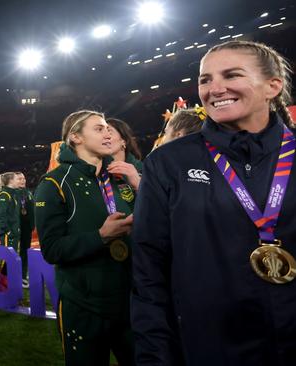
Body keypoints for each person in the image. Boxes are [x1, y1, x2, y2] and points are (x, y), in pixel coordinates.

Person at [132, 40, 296, 365]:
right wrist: (154, 357)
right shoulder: (169, 162)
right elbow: (149, 271)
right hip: (210, 347)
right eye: (205, 79)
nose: (215, 88)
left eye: (231, 75)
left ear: (272, 86)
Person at [34, 110, 134, 366]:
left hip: (130, 302)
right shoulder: (54, 183)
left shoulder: (121, 179)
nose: (107, 132)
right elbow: (53, 249)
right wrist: (101, 236)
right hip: (84, 306)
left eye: (108, 128)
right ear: (76, 137)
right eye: (99, 128)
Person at [106, 118, 143, 208]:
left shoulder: (145, 170)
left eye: (109, 132)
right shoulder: (97, 172)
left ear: (123, 141)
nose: (105, 136)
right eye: (100, 132)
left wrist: (139, 185)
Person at [13, 172, 34, 288]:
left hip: (27, 228)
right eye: (20, 179)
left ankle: (23, 276)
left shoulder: (28, 192)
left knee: (25, 252)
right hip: (16, 227)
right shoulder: (12, 193)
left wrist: (32, 225)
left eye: (24, 178)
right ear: (14, 180)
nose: (23, 180)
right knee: (12, 251)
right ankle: (10, 276)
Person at [0, 172, 21, 255]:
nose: (19, 181)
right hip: (8, 233)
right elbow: (1, 215)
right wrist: (8, 231)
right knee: (7, 258)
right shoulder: (4, 195)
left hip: (13, 231)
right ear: (11, 181)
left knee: (13, 257)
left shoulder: (12, 194)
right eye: (17, 179)